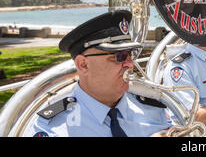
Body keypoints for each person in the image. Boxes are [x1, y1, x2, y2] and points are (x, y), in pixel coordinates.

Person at [24, 10, 173, 137]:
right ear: (83, 65)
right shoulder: (50, 128)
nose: (130, 64)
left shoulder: (154, 108)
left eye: (130, 55)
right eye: (118, 56)